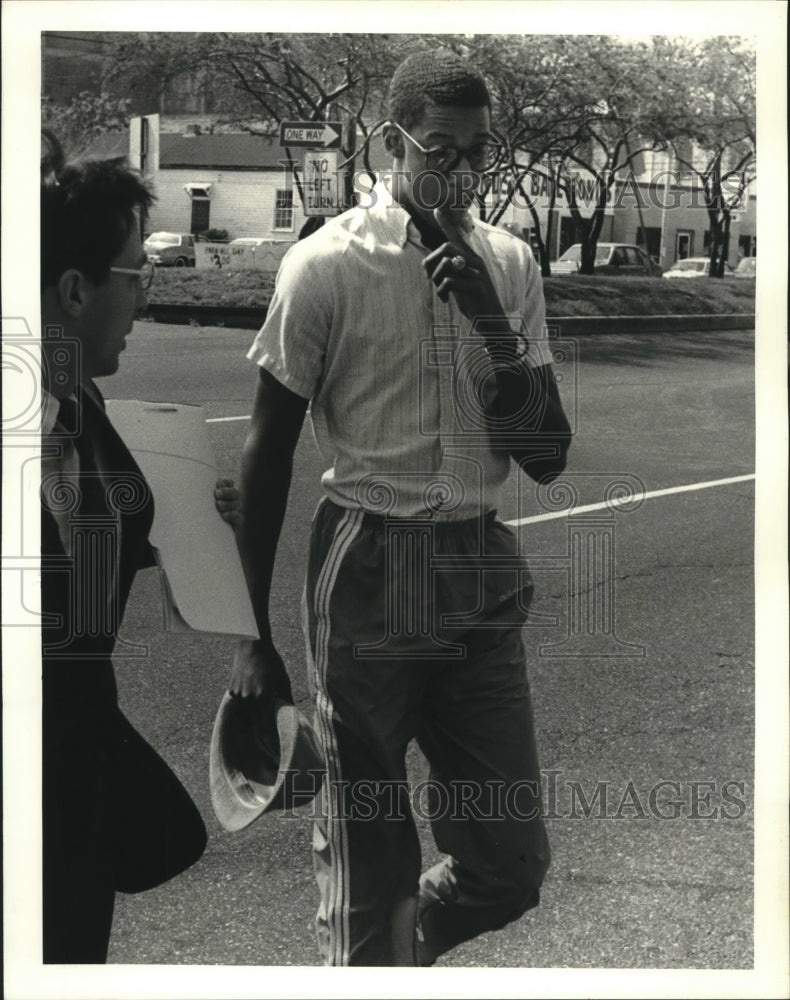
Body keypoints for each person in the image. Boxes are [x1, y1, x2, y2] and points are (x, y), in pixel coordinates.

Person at [232, 51, 572, 966]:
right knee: (368, 853)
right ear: (392, 144)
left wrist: (492, 322)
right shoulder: (327, 264)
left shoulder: (510, 262)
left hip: (476, 561)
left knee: (509, 861)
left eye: (478, 153)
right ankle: (371, 954)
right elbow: (265, 453)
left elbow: (548, 457)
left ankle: (396, 950)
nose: (461, 173)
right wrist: (249, 637)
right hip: (368, 562)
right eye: (440, 150)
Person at [39, 132, 238, 963]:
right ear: (77, 290)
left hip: (74, 798)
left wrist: (177, 526)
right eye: (135, 278)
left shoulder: (76, 402)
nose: (142, 301)